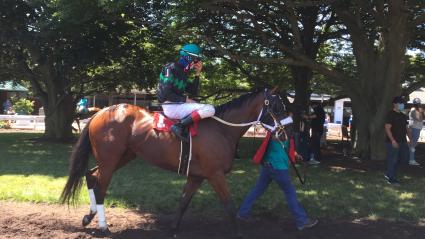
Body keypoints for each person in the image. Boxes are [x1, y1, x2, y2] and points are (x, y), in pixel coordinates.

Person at [237, 128, 318, 231]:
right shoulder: (281, 132)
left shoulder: (276, 131)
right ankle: (302, 221)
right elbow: (281, 138)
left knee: (257, 190)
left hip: (267, 166)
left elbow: (284, 145)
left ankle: (242, 213)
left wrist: (295, 154)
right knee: (290, 192)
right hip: (279, 168)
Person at [157, 43, 215, 141]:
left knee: (202, 106)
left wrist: (197, 73)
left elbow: (193, 92)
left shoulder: (183, 73)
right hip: (170, 106)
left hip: (178, 105)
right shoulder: (170, 68)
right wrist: (186, 100)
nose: (196, 63)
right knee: (210, 109)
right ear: (189, 57)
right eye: (196, 60)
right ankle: (179, 126)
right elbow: (166, 93)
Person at [384, 96, 412, 185]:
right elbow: (387, 128)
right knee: (393, 160)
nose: (402, 105)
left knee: (404, 158)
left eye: (403, 103)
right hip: (392, 142)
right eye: (400, 103)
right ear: (395, 104)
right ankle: (391, 179)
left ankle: (389, 173)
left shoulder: (403, 116)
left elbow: (407, 129)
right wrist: (393, 141)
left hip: (403, 142)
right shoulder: (390, 114)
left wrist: (411, 140)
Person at [408, 98, 422, 166]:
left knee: (413, 144)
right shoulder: (414, 110)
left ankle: (411, 159)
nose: (419, 105)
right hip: (415, 128)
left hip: (416, 128)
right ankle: (411, 160)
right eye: (418, 104)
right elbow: (419, 118)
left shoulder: (415, 110)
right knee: (413, 145)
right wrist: (420, 112)